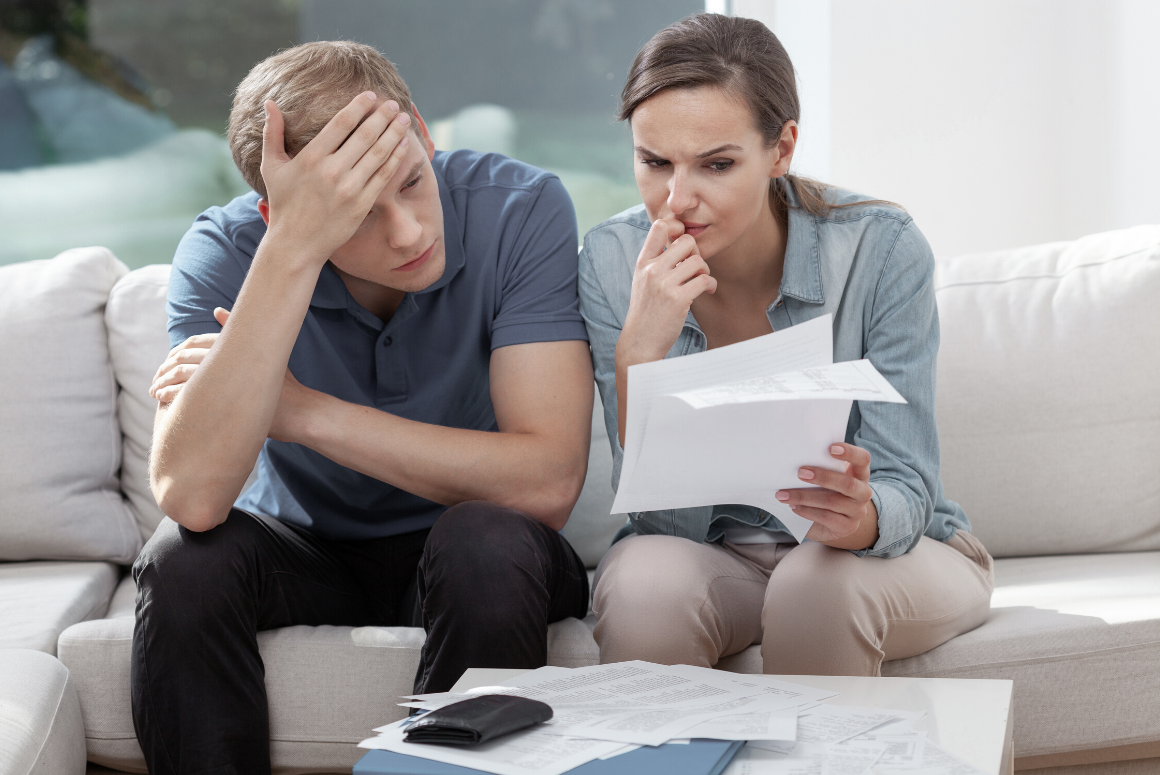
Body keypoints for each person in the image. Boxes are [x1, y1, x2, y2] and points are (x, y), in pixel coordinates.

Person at [135, 41, 593, 773]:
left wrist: (301, 410)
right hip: (306, 552)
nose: (409, 232)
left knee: (488, 538)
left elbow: (547, 481)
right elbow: (189, 495)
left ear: (420, 126)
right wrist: (292, 248)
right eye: (352, 217)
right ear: (276, 213)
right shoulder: (226, 251)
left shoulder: (522, 207)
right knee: (184, 559)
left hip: (474, 546)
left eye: (412, 182)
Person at [579, 14, 994, 676]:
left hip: (877, 554)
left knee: (812, 584)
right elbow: (660, 515)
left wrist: (854, 518)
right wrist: (639, 352)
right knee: (643, 586)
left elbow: (907, 487)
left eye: (716, 164)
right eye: (654, 162)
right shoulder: (610, 259)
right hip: (713, 554)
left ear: (781, 149)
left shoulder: (880, 248)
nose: (676, 199)